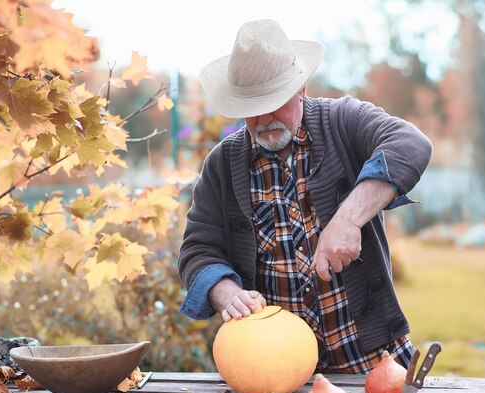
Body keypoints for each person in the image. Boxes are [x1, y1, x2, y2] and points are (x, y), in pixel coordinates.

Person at [178, 19, 432, 373]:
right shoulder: (222, 164)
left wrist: (348, 218)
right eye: (253, 107)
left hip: (374, 360)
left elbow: (411, 145)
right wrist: (226, 293)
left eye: (276, 102)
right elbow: (197, 251)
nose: (265, 118)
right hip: (276, 372)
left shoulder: (342, 120)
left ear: (300, 89)